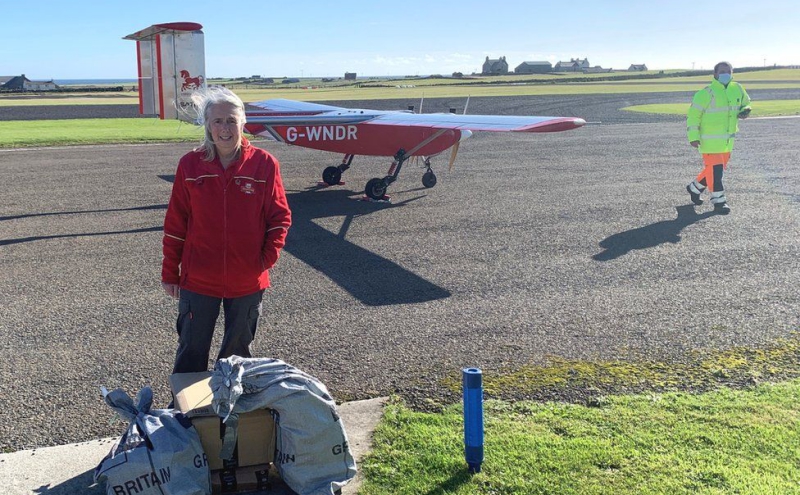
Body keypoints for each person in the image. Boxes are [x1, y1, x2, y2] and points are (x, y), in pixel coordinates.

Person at [161, 86, 292, 374]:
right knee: (191, 350)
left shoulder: (264, 164)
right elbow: (176, 223)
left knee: (236, 358)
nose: (225, 128)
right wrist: (170, 272)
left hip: (247, 280)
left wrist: (263, 260)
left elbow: (280, 218)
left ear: (243, 122)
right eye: (218, 121)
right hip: (198, 279)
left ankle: (228, 403)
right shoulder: (190, 165)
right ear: (207, 125)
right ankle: (187, 403)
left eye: (231, 121)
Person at [686, 61, 751, 214]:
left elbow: (746, 103)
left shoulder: (738, 89)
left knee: (715, 169)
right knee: (716, 171)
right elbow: (693, 116)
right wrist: (693, 136)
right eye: (722, 71)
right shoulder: (705, 93)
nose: (725, 74)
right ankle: (719, 202)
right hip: (709, 141)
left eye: (728, 71)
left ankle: (694, 188)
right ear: (715, 74)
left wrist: (746, 110)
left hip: (727, 141)